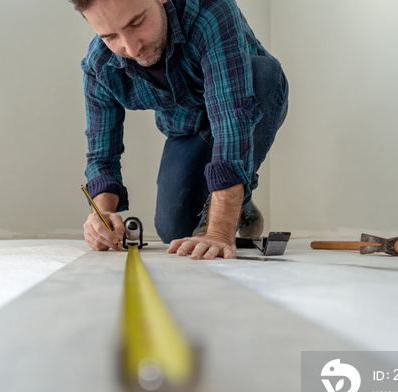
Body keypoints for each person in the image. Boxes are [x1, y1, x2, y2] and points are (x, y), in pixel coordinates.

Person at [72, 0, 288, 259]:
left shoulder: (211, 11)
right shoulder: (99, 66)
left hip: (247, 101)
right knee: (174, 231)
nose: (131, 48)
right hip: (188, 130)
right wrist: (102, 214)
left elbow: (232, 121)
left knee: (262, 75)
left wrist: (219, 231)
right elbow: (101, 157)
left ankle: (233, 197)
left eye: (137, 23)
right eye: (110, 36)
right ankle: (237, 201)